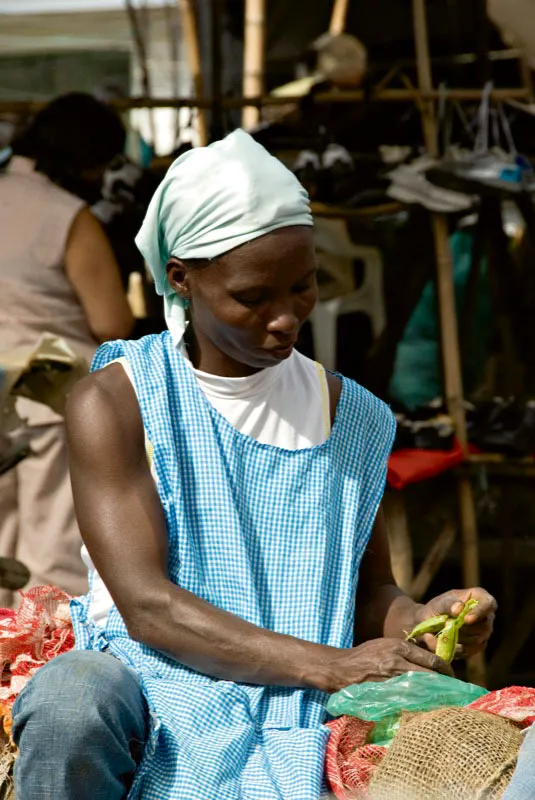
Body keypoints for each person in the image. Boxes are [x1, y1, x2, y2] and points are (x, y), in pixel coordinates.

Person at [11, 130, 496, 800]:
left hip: (302, 705)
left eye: (302, 287)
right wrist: (332, 668)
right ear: (180, 276)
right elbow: (150, 608)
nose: (284, 319)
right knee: (69, 700)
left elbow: (367, 593)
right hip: (153, 690)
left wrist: (419, 618)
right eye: (252, 297)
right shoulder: (119, 401)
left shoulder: (351, 415)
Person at [0, 93, 133, 605]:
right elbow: (111, 321)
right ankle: (42, 667)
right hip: (46, 377)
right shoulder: (69, 215)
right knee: (51, 537)